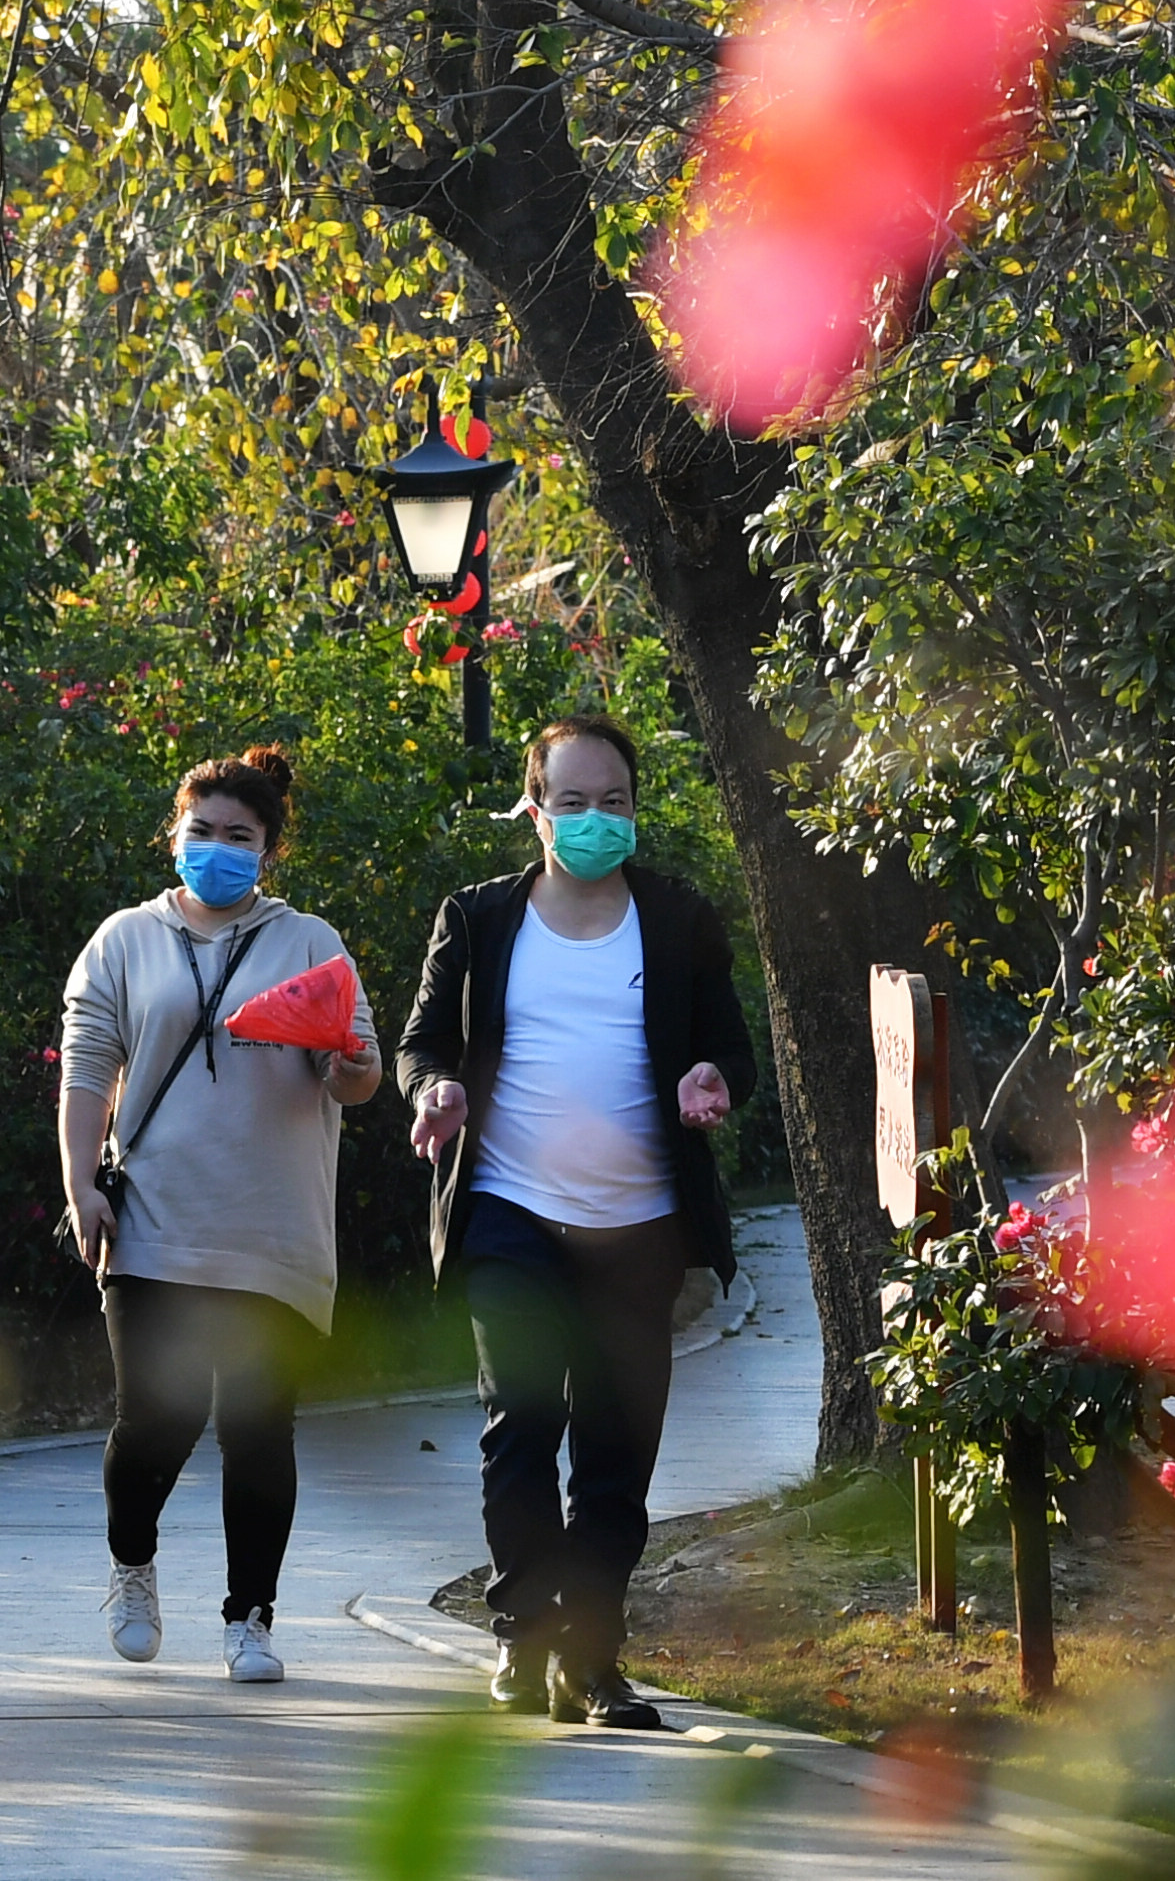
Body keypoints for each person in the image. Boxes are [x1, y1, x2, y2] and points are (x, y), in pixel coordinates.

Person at [397, 714, 751, 1729]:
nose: (595, 818)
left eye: (615, 800)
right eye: (573, 799)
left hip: (638, 1231)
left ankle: (592, 1663)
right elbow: (424, 1040)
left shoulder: (679, 918)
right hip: (511, 1212)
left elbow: (734, 1049)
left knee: (614, 1450)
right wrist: (434, 1091)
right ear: (534, 804)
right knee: (522, 1425)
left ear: (635, 809)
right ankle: (522, 1632)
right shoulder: (478, 917)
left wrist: (709, 1074)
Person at [59, 744, 385, 1681]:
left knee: (257, 1426)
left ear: (267, 850)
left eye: (237, 836)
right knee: (155, 1419)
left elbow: (355, 1075)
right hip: (153, 1218)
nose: (216, 848)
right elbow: (88, 1070)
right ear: (175, 834)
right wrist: (81, 1182)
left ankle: (252, 1619)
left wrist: (352, 1066)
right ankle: (132, 1561)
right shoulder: (125, 939)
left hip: (273, 1226)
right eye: (200, 831)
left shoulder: (310, 943)